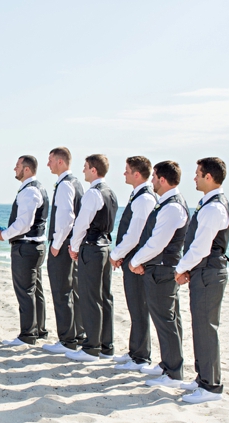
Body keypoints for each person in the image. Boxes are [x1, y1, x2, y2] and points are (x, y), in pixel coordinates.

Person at [175, 157, 229, 404]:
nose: (194, 177)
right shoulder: (208, 203)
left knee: (206, 328)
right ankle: (202, 378)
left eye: (197, 173)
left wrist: (180, 269)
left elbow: (200, 248)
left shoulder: (213, 208)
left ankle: (211, 386)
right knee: (200, 325)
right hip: (204, 271)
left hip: (208, 272)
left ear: (209, 177)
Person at [129, 160, 189, 388]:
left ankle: (173, 373)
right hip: (160, 269)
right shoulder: (166, 203)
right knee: (167, 319)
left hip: (163, 271)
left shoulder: (172, 206)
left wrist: (135, 260)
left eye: (154, 177)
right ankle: (168, 364)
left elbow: (157, 243)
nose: (151, 181)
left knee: (166, 321)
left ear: (162, 180)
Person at [66, 154, 118, 362]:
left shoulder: (93, 194)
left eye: (86, 167)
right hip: (105, 247)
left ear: (94, 170)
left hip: (92, 248)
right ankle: (107, 346)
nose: (84, 170)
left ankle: (92, 347)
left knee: (90, 297)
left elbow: (81, 224)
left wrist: (74, 247)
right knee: (105, 296)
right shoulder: (111, 193)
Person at [0, 155, 49, 346]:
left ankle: (28, 335)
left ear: (26, 169)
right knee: (35, 291)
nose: (14, 169)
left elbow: (24, 223)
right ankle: (38, 330)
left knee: (25, 291)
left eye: (17, 166)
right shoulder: (37, 188)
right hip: (35, 245)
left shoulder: (29, 191)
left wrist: (5, 235)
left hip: (26, 247)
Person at [109, 157, 157, 371]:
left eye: (127, 170)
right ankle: (134, 351)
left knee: (139, 307)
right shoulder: (138, 195)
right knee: (134, 307)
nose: (124, 174)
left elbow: (135, 234)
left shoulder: (145, 199)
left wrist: (116, 254)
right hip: (131, 258)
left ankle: (141, 357)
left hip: (138, 262)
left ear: (137, 174)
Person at [42, 147, 85, 354]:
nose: (48, 164)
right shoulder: (75, 183)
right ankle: (76, 334)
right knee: (72, 290)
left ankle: (67, 339)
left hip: (63, 244)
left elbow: (67, 218)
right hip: (71, 244)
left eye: (50, 160)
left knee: (62, 291)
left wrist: (56, 245)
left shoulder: (66, 185)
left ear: (60, 161)